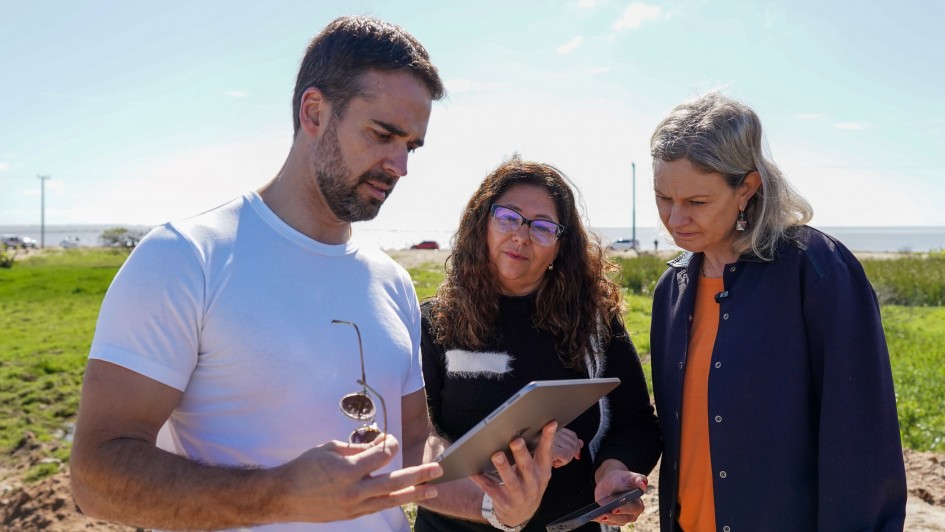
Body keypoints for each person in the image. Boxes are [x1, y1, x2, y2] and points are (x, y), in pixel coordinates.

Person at [68, 16, 553, 532]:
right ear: (315, 112)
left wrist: (493, 504)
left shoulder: (391, 282)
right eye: (383, 134)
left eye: (410, 146)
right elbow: (96, 477)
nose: (399, 166)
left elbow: (414, 444)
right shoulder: (187, 257)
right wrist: (278, 495)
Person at [648, 92, 907, 531]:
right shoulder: (671, 289)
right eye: (662, 198)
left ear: (747, 189)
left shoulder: (819, 269)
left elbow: (861, 441)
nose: (675, 219)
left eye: (696, 202)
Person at [415, 157, 663, 531]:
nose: (522, 236)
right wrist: (528, 447)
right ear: (482, 222)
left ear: (561, 247)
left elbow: (636, 424)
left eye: (543, 227)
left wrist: (614, 471)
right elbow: (417, 439)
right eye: (508, 217)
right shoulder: (434, 323)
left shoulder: (593, 323)